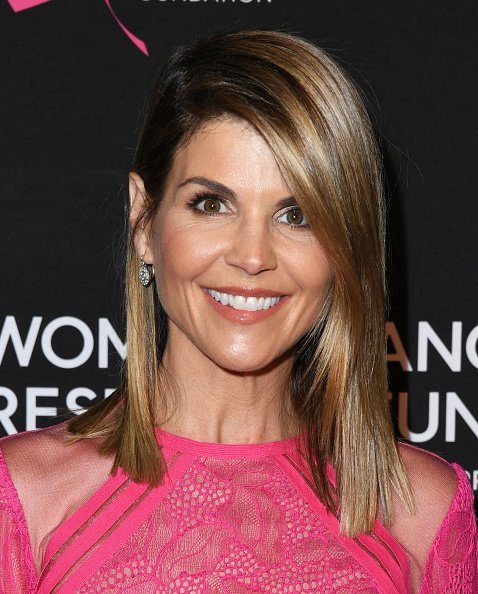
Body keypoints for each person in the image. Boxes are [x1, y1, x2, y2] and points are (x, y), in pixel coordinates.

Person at [0, 30, 476, 593]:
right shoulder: (26, 499)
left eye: (296, 215)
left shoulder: (422, 514)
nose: (252, 257)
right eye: (211, 204)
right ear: (144, 222)